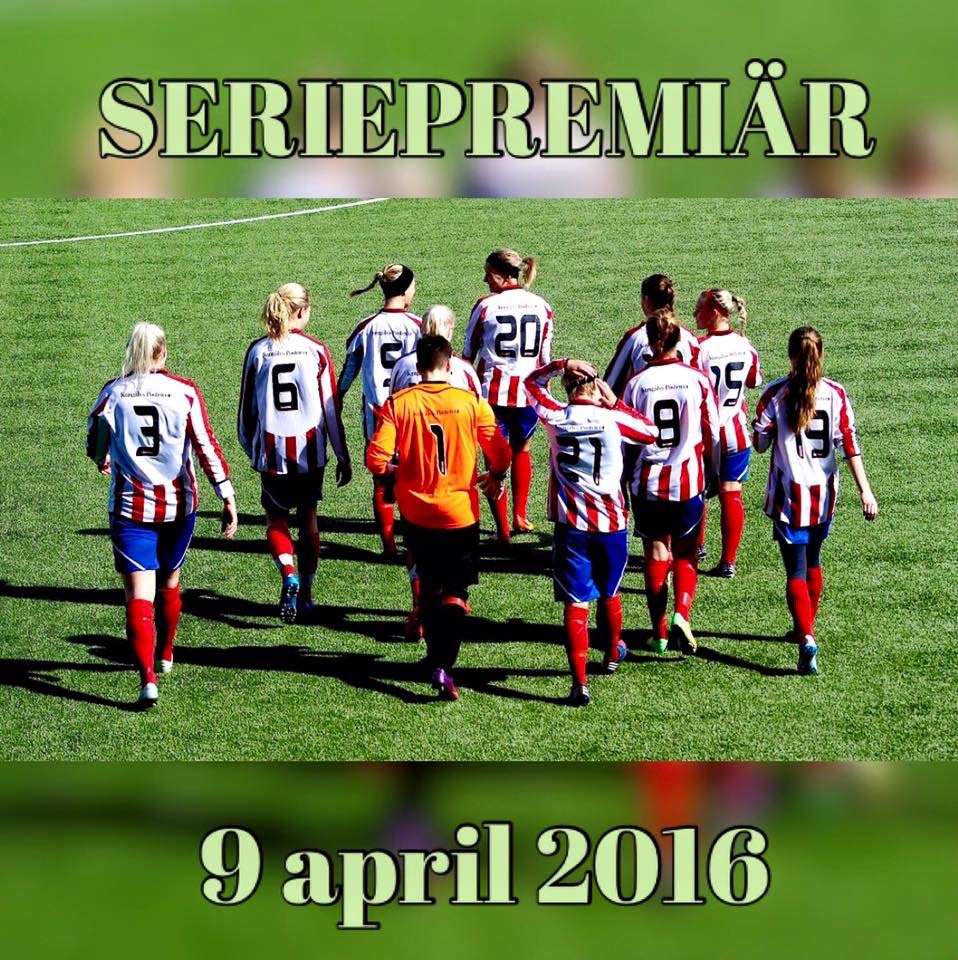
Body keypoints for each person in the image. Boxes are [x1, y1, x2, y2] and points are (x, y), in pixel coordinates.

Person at [86, 322, 238, 707]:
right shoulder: (184, 391)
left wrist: (104, 457)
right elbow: (206, 445)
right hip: (178, 507)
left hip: (130, 508)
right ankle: (166, 652)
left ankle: (147, 680)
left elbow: (94, 442)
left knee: (138, 594)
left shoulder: (112, 393)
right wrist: (226, 494)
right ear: (163, 352)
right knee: (170, 581)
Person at [366, 336, 512, 701]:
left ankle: (434, 658)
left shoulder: (399, 403)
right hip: (460, 512)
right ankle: (444, 665)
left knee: (430, 586)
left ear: (418, 368)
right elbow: (501, 453)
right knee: (457, 591)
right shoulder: (471, 402)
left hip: (417, 512)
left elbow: (376, 460)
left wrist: (401, 471)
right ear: (449, 366)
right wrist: (495, 475)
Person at [525, 359, 657, 706]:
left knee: (576, 602)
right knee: (610, 592)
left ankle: (580, 684)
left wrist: (561, 364)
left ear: (568, 389)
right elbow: (651, 432)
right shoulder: (612, 419)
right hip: (611, 524)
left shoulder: (556, 417)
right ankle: (612, 652)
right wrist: (615, 402)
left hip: (572, 527)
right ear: (596, 387)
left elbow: (531, 384)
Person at [752, 326, 878, 674]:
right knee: (814, 561)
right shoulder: (836, 393)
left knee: (794, 568)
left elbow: (760, 444)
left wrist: (761, 433)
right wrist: (865, 491)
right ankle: (807, 627)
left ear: (791, 356)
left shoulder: (775, 393)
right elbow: (849, 445)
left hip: (789, 495)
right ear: (820, 355)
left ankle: (805, 634)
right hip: (824, 494)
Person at [238, 283, 351, 623]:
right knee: (308, 518)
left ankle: (288, 573)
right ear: (302, 311)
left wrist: (251, 447)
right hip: (309, 452)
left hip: (271, 451)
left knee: (276, 519)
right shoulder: (315, 350)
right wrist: (342, 454)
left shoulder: (258, 351)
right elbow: (330, 408)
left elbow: (246, 409)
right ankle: (307, 596)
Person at [622, 309, 721, 655]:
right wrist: (713, 470)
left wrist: (624, 479)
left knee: (655, 551)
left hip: (647, 483)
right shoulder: (697, 380)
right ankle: (682, 613)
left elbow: (628, 439)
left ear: (650, 342)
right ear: (680, 340)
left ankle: (660, 633)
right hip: (687, 480)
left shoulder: (636, 383)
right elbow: (713, 431)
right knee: (685, 551)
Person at [390, 305, 481, 639]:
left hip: (416, 479)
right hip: (457, 483)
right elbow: (480, 415)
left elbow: (392, 412)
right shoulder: (465, 371)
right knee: (453, 563)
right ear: (451, 332)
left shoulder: (403, 367)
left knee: (419, 553)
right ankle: (449, 609)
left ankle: (420, 610)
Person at [463, 248, 554, 542]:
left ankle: (502, 529)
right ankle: (520, 515)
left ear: (503, 276)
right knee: (522, 449)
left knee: (494, 459)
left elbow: (468, 353)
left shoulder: (486, 306)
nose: (485, 280)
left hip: (492, 395)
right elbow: (545, 358)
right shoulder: (542, 306)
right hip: (528, 394)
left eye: (488, 274)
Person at [340, 263, 421, 558]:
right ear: (406, 289)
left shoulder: (367, 326)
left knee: (381, 478)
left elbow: (350, 368)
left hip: (377, 413)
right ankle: (413, 542)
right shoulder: (418, 326)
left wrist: (338, 395)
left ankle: (388, 545)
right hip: (413, 412)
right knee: (415, 475)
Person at [694, 288, 762, 576]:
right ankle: (728, 562)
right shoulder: (745, 346)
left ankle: (696, 547)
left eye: (699, 309)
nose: (694, 314)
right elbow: (754, 380)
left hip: (704, 433)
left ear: (715, 312)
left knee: (697, 491)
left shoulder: (699, 348)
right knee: (731, 493)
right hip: (736, 432)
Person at [604, 274, 702, 398]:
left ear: (647, 301)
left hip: (642, 409)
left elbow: (609, 386)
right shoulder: (689, 338)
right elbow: (701, 381)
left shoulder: (635, 338)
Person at [389, 305, 481, 396]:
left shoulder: (403, 364)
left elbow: (392, 398)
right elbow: (478, 401)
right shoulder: (464, 368)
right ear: (449, 332)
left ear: (422, 329)